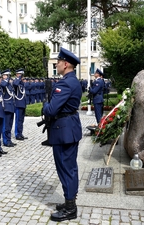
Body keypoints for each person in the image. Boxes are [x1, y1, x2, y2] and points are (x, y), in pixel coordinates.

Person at [43, 47, 82, 222]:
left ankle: (70, 208)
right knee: (70, 168)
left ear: (66, 64)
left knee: (66, 169)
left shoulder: (66, 83)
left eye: (58, 62)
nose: (56, 64)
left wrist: (45, 105)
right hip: (69, 129)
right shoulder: (72, 80)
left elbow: (51, 110)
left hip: (64, 131)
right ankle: (69, 202)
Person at [0, 69, 17, 148]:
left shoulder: (10, 84)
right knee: (5, 125)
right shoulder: (3, 83)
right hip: (6, 107)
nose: (8, 77)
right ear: (3, 76)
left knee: (9, 125)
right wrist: (6, 79)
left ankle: (9, 140)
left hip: (11, 106)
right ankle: (5, 141)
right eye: (7, 75)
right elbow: (3, 85)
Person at [13, 68, 28, 140]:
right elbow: (15, 84)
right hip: (18, 104)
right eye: (20, 74)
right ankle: (17, 134)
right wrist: (18, 77)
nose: (22, 76)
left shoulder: (21, 83)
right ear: (17, 74)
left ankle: (20, 133)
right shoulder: (15, 81)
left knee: (21, 120)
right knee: (18, 120)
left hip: (22, 104)